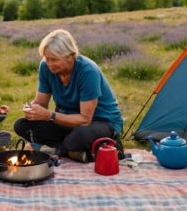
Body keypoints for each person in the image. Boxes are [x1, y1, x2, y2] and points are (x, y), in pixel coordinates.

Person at [14, 29, 124, 162]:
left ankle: (54, 148)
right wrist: (32, 109)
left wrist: (49, 115)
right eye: (46, 58)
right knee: (21, 125)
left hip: (100, 121)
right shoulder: (45, 68)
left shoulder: (88, 71)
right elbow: (41, 103)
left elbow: (85, 120)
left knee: (79, 136)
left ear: (70, 56)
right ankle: (74, 151)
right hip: (66, 122)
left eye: (54, 59)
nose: (49, 64)